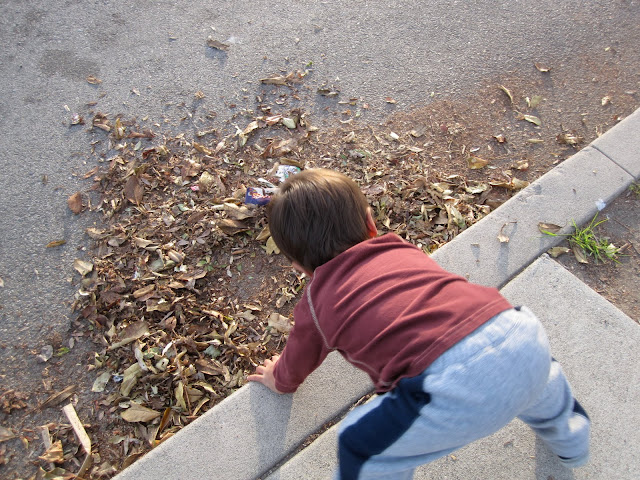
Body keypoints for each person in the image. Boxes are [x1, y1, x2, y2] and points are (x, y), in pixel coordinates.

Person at [247, 169, 590, 479]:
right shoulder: (402, 250)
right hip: (516, 330)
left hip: (445, 384)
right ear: (371, 224)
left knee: (359, 444)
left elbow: (298, 359)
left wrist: (279, 380)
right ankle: (572, 442)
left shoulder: (315, 305)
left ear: (298, 268)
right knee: (540, 381)